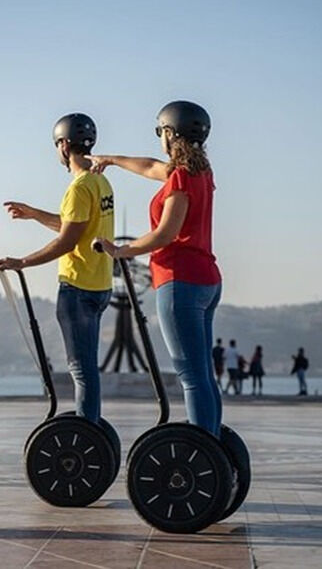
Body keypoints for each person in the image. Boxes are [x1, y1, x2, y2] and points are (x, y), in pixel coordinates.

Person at [91, 100, 224, 436]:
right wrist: (110, 160)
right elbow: (150, 166)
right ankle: (213, 443)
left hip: (180, 281)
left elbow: (165, 233)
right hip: (206, 279)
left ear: (169, 133)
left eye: (160, 132)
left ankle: (203, 450)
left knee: (191, 376)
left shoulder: (180, 177)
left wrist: (120, 250)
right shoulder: (200, 173)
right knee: (204, 373)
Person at [0, 113, 114, 423]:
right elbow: (74, 227)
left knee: (81, 368)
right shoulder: (101, 182)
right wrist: (35, 214)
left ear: (63, 144)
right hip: (101, 285)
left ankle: (88, 430)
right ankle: (91, 427)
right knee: (88, 366)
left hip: (78, 287)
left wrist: (22, 262)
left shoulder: (78, 187)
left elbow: (67, 242)